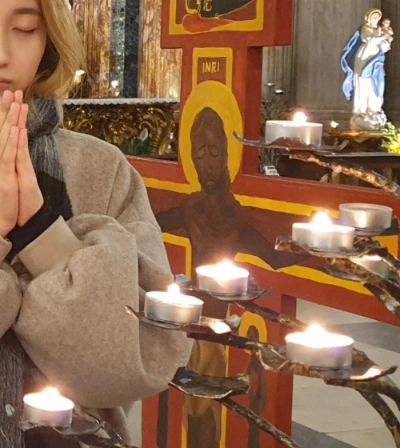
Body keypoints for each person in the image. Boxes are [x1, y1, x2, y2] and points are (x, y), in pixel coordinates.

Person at [0, 1, 193, 447]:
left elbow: (139, 361)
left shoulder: (100, 169)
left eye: (25, 28)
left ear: (49, 40)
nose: (2, 54)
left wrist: (40, 231)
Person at [341, 9, 390, 131]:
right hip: (364, 59)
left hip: (376, 60)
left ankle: (374, 109)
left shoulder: (379, 30)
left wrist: (386, 41)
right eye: (374, 18)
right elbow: (368, 39)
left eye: (377, 18)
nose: (376, 20)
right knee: (363, 84)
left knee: (377, 84)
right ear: (368, 19)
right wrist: (381, 37)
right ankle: (361, 110)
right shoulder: (365, 29)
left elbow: (383, 47)